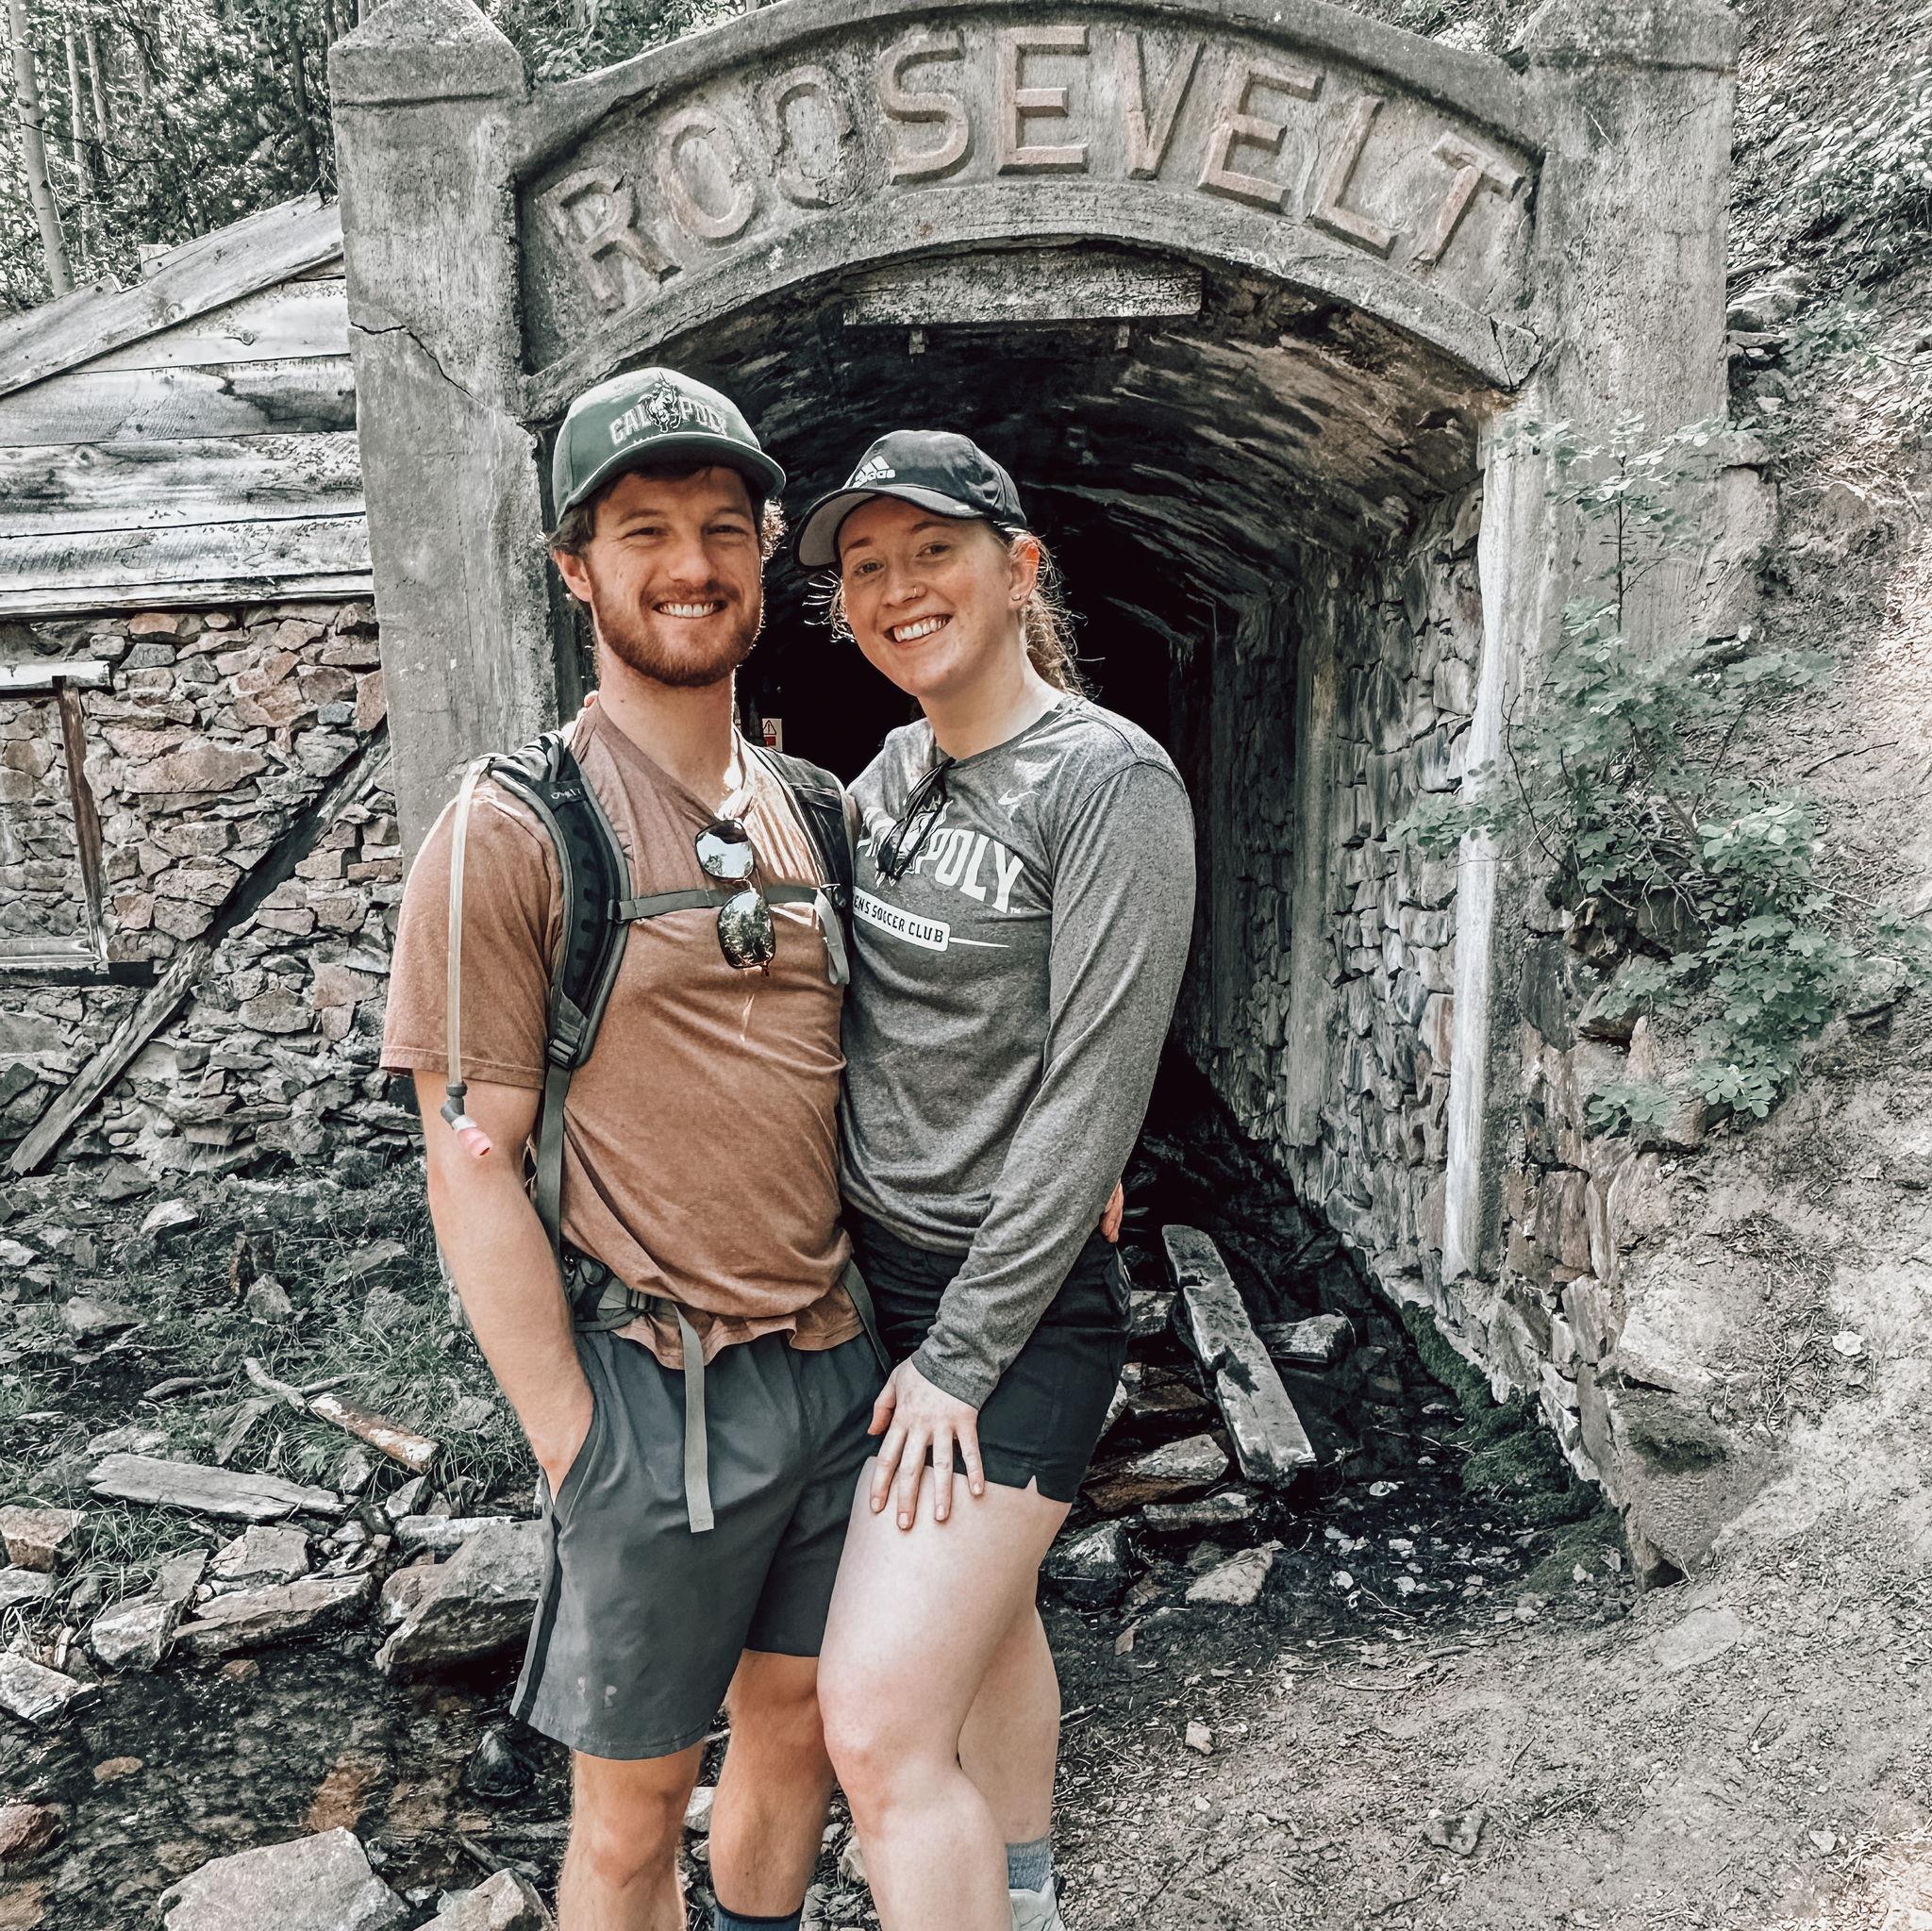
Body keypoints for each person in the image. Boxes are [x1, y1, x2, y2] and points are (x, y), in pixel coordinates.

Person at [381, 367, 884, 1931]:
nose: (691, 564)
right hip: (653, 1398)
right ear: (575, 567)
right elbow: (469, 1160)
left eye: (723, 529)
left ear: (765, 552)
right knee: (630, 1811)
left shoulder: (813, 807)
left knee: (799, 1734)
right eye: (645, 530)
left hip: (836, 1363)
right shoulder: (511, 827)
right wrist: (568, 1437)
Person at [794, 432, 1197, 1931]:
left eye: (934, 552)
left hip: (1009, 1320)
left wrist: (963, 1358)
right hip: (873, 1286)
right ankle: (1021, 1894)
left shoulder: (1107, 785)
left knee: (881, 1728)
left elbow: (1094, 1092)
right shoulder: (890, 774)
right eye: (865, 566)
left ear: (1018, 569)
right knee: (994, 1613)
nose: (898, 590)